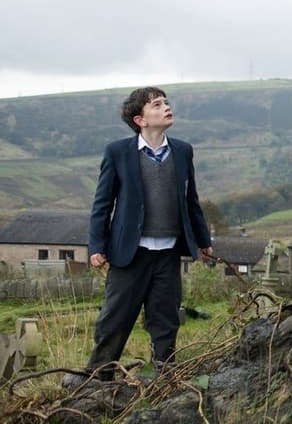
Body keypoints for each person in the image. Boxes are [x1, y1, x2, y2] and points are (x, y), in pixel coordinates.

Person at [66, 87, 213, 385]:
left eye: (166, 102)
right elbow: (102, 203)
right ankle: (98, 376)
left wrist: (203, 240)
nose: (166, 107)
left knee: (165, 317)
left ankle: (163, 374)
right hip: (129, 253)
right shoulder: (118, 152)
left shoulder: (183, 150)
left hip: (169, 252)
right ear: (140, 119)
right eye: (157, 104)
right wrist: (97, 246)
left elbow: (191, 200)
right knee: (115, 318)